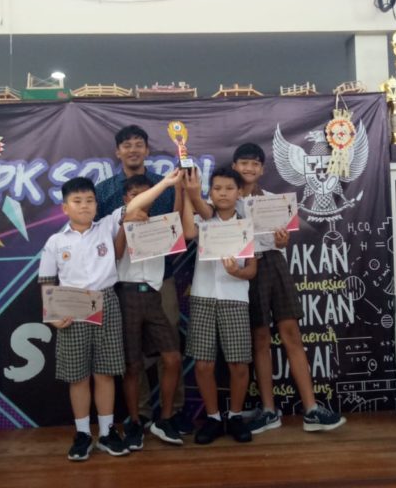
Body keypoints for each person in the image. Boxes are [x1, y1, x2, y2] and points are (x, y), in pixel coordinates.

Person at [40, 172, 180, 462]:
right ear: (65, 208)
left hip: (107, 303)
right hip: (72, 310)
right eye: (77, 201)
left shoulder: (107, 225)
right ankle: (82, 434)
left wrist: (166, 184)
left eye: (89, 200)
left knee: (105, 373)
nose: (84, 205)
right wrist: (52, 316)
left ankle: (106, 433)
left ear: (97, 204)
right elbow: (46, 281)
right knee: (78, 377)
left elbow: (135, 204)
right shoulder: (55, 241)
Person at [230, 143, 346, 434]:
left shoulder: (275, 200)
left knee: (291, 333)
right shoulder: (227, 200)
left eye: (255, 164)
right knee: (259, 338)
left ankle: (311, 409)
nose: (249, 168)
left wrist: (283, 241)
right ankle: (269, 411)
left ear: (262, 169)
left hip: (275, 263)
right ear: (234, 166)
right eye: (244, 163)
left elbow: (284, 240)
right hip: (247, 267)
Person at [94, 125, 190, 434]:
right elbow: (98, 237)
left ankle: (172, 412)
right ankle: (142, 414)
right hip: (122, 283)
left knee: (169, 346)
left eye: (139, 144)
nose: (133, 150)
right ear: (117, 152)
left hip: (162, 279)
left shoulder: (163, 186)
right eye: (127, 145)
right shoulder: (105, 191)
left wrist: (179, 189)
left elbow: (178, 226)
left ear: (147, 150)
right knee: (132, 353)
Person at [181, 166, 256, 444]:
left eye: (229, 188)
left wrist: (237, 272)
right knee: (203, 364)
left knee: (238, 363)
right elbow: (187, 232)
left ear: (239, 193)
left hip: (235, 298)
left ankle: (234, 416)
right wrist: (188, 194)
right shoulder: (204, 219)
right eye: (217, 188)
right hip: (203, 297)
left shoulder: (247, 224)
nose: (223, 193)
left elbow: (252, 270)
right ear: (210, 192)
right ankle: (213, 418)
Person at [112, 175, 184, 449]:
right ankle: (134, 422)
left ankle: (164, 419)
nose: (141, 199)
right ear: (125, 198)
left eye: (147, 194)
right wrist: (124, 224)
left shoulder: (160, 223)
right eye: (134, 195)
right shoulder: (115, 219)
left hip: (154, 295)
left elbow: (178, 221)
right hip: (126, 294)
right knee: (132, 365)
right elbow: (116, 254)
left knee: (172, 358)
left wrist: (179, 189)